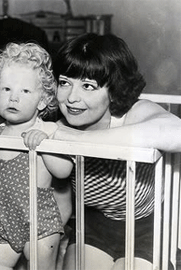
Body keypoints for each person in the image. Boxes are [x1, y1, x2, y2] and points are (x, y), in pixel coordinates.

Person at [51, 33, 181, 270]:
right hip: (93, 226)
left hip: (146, 227)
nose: (71, 98)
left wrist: (81, 139)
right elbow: (61, 201)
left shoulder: (131, 114)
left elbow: (177, 133)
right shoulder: (58, 129)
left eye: (88, 86)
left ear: (113, 90)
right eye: (64, 82)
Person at [0, 42, 73, 270]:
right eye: (6, 89)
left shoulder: (46, 130)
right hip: (3, 220)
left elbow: (64, 171)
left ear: (42, 100)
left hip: (40, 221)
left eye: (25, 91)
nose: (13, 98)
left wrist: (45, 144)